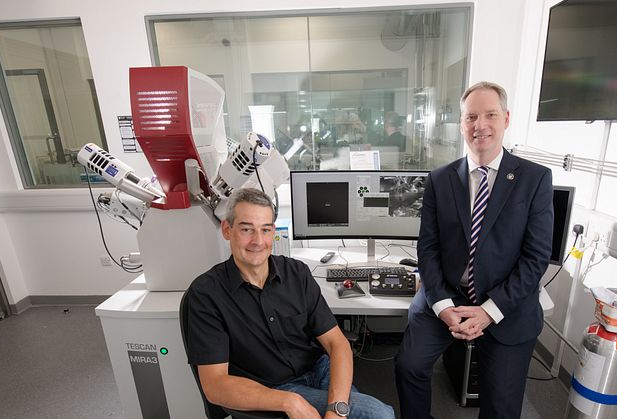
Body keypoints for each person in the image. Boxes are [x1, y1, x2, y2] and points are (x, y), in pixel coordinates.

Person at [394, 82, 554, 419]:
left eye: (490, 115)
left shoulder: (534, 179)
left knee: (501, 405)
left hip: (505, 305)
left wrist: (489, 310)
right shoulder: (440, 179)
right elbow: (428, 247)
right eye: (471, 117)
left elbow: (536, 258)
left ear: (506, 119)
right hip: (447, 295)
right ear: (461, 124)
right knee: (409, 365)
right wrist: (441, 306)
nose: (480, 125)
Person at [184, 188, 395, 419]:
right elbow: (215, 386)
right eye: (246, 229)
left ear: (273, 231)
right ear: (227, 229)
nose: (258, 241)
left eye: (265, 230)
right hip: (270, 388)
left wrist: (336, 409)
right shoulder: (206, 294)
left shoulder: (297, 273)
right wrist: (290, 401)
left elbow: (337, 343)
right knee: (378, 414)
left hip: (318, 369)